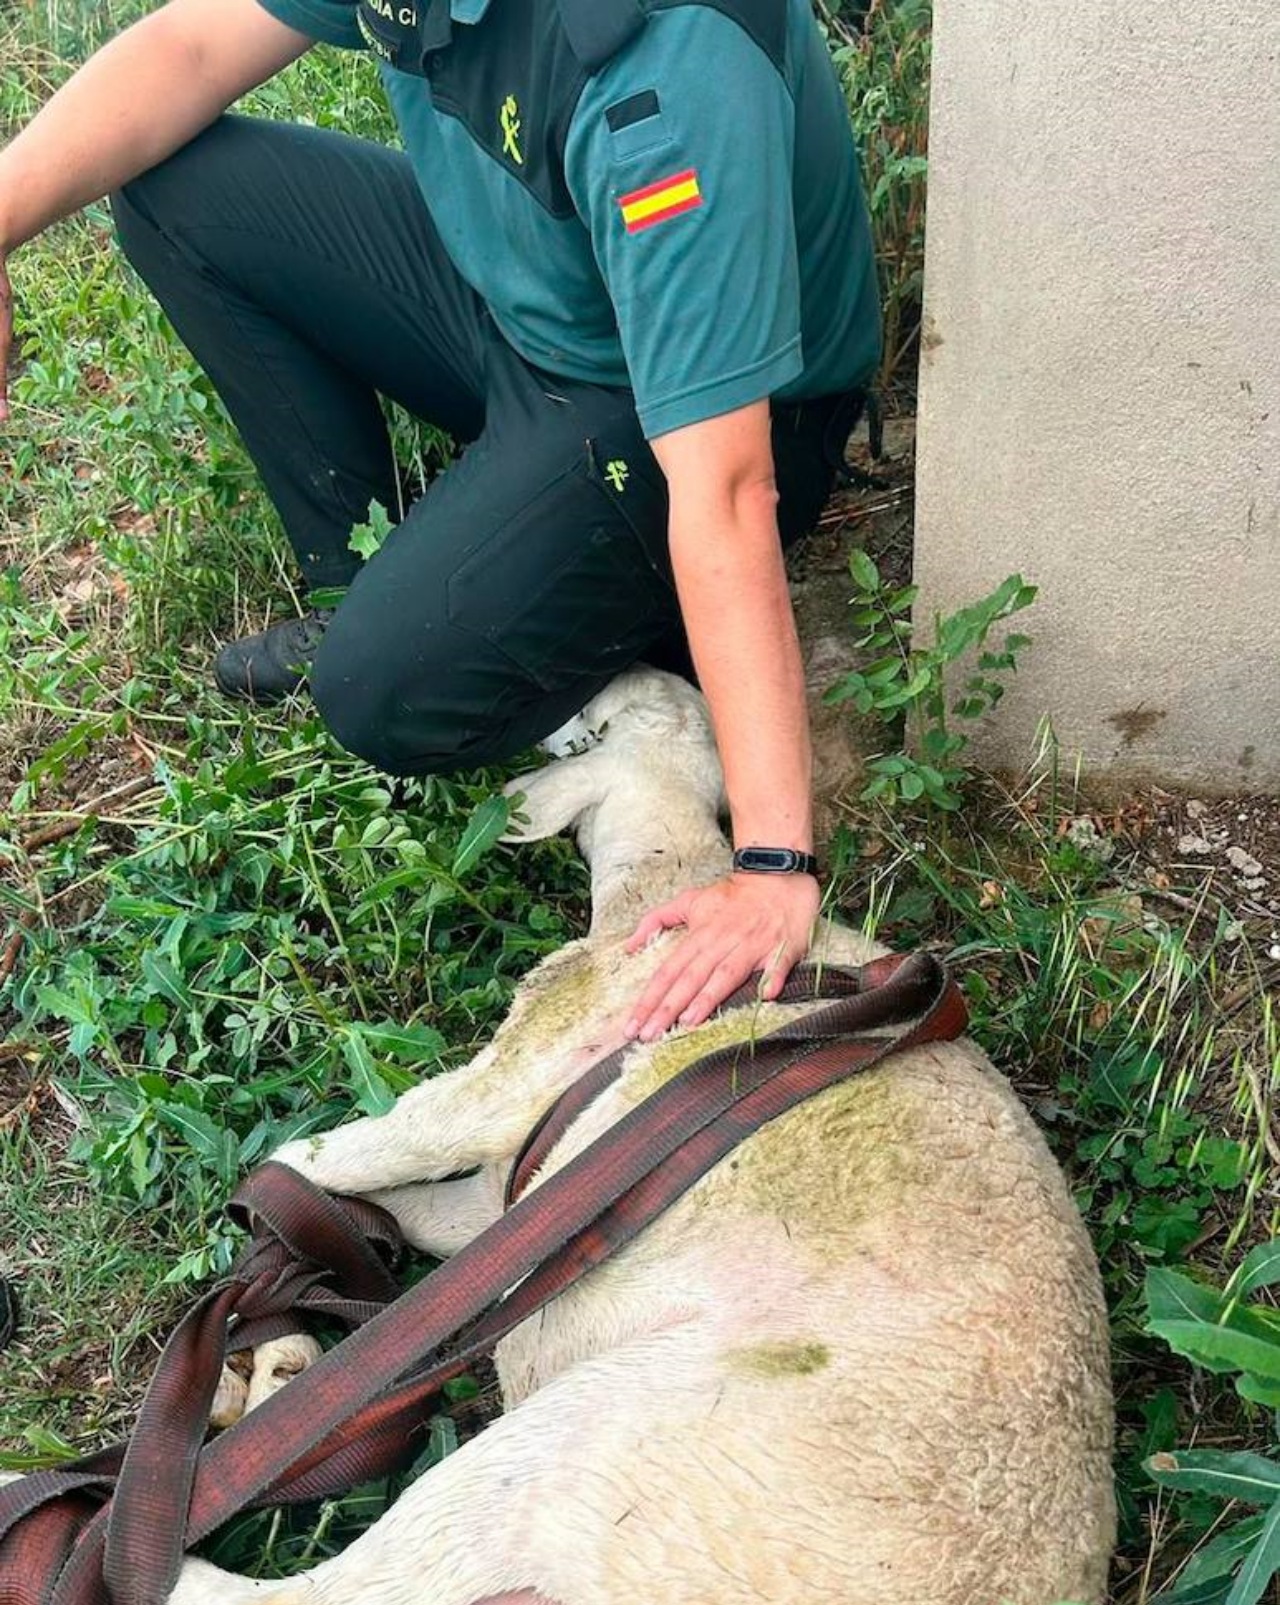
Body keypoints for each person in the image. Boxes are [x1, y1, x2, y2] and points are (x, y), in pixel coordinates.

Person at [0, 0, 880, 1039]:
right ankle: (356, 573)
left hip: (672, 406)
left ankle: (611, 644)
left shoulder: (660, 68)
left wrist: (775, 860)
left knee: (386, 692)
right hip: (526, 280)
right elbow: (187, 48)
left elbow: (728, 490)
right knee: (178, 190)